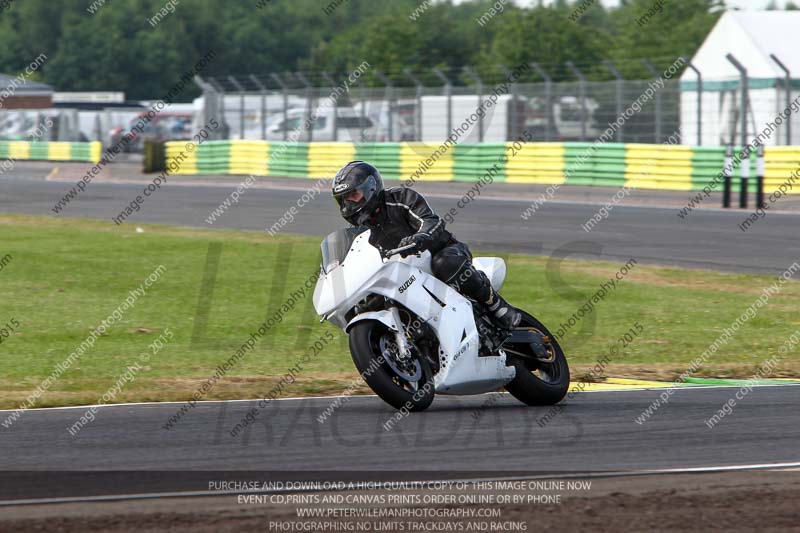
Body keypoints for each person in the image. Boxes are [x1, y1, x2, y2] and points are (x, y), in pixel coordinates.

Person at [331, 160, 521, 330]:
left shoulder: (400, 199)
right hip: (404, 275)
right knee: (370, 302)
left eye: (353, 195)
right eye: (344, 199)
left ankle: (497, 306)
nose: (348, 204)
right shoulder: (360, 233)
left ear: (371, 187)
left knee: (444, 264)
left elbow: (431, 221)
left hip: (441, 251)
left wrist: (420, 237)